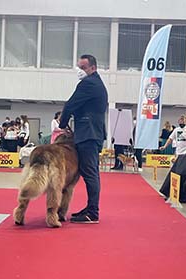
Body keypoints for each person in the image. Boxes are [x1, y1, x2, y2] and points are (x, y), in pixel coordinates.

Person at [59, 54, 108, 224]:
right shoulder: (96, 83)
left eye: (83, 68)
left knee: (90, 173)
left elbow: (70, 104)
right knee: (91, 172)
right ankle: (90, 208)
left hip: (88, 134)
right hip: (92, 133)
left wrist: (62, 123)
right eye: (79, 67)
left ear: (93, 68)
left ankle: (92, 213)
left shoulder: (89, 83)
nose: (80, 71)